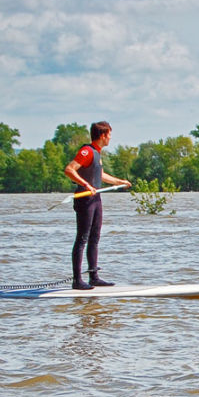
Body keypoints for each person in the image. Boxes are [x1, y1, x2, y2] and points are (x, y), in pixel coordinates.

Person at [64, 121, 131, 290]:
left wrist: (120, 182)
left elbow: (99, 174)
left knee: (95, 238)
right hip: (85, 199)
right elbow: (70, 170)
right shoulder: (87, 151)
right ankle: (77, 280)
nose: (110, 138)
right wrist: (86, 185)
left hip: (96, 199)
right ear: (102, 135)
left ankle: (93, 276)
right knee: (82, 239)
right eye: (109, 135)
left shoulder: (97, 153)